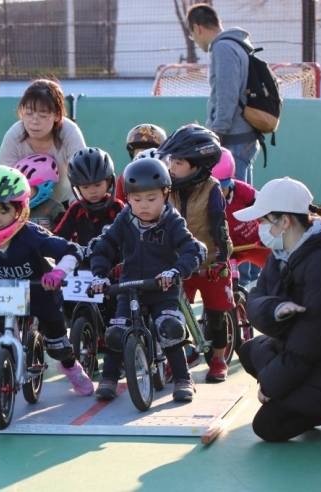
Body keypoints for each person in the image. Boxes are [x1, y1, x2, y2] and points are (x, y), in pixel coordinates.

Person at [0, 165, 93, 410]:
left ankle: (71, 366)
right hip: (2, 296)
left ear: (20, 209)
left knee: (58, 344)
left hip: (39, 293)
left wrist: (58, 272)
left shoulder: (32, 235)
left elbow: (73, 250)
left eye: (3, 210)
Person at [232, 177, 321, 442]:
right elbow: (255, 299)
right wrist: (276, 309)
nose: (259, 228)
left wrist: (271, 386)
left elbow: (310, 344)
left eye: (264, 221)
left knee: (267, 427)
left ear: (284, 221)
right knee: (248, 350)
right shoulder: (281, 254)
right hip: (302, 352)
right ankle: (300, 399)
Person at [90, 158, 207, 402]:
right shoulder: (124, 219)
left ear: (166, 194)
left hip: (162, 288)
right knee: (116, 332)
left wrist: (175, 271)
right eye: (136, 199)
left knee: (170, 328)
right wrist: (100, 275)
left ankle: (183, 378)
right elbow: (104, 248)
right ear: (128, 198)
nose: (144, 206)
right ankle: (109, 378)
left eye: (151, 199)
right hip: (130, 287)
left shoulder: (172, 221)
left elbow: (190, 249)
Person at [156, 124, 234, 383]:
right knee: (173, 312)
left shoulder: (212, 189)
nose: (171, 167)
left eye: (177, 162)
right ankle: (181, 355)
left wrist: (221, 259)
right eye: (171, 161)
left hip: (210, 262)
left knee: (216, 313)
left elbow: (219, 226)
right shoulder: (167, 187)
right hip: (180, 263)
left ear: (198, 164)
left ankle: (218, 359)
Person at [186, 3, 261, 184]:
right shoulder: (238, 44)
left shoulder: (223, 48)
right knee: (245, 200)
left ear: (197, 28)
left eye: (192, 35)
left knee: (233, 203)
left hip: (234, 139)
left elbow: (227, 95)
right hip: (245, 137)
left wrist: (215, 135)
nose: (194, 40)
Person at [0, 78, 87, 207]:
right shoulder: (14, 135)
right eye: (28, 113)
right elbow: (5, 177)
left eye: (43, 115)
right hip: (24, 204)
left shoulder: (70, 132)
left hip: (66, 202)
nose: (34, 121)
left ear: (57, 115)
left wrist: (75, 208)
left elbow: (82, 175)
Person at [210, 147, 269, 284]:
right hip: (229, 251)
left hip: (257, 244)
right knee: (225, 285)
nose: (218, 194)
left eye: (222, 188)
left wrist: (267, 235)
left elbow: (267, 211)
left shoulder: (243, 190)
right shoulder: (204, 201)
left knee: (278, 269)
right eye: (213, 190)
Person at [54, 147, 124, 247]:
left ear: (108, 181)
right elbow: (59, 237)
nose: (92, 191)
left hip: (113, 260)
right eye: (85, 187)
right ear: (77, 187)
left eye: (97, 185)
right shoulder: (76, 209)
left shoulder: (117, 207)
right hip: (83, 260)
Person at [12, 153, 65, 230]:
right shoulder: (15, 209)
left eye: (28, 188)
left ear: (44, 185)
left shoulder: (54, 206)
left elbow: (66, 231)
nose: (23, 193)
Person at [115, 123, 168, 201]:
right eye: (139, 155)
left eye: (150, 153)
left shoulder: (168, 176)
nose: (144, 158)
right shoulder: (124, 178)